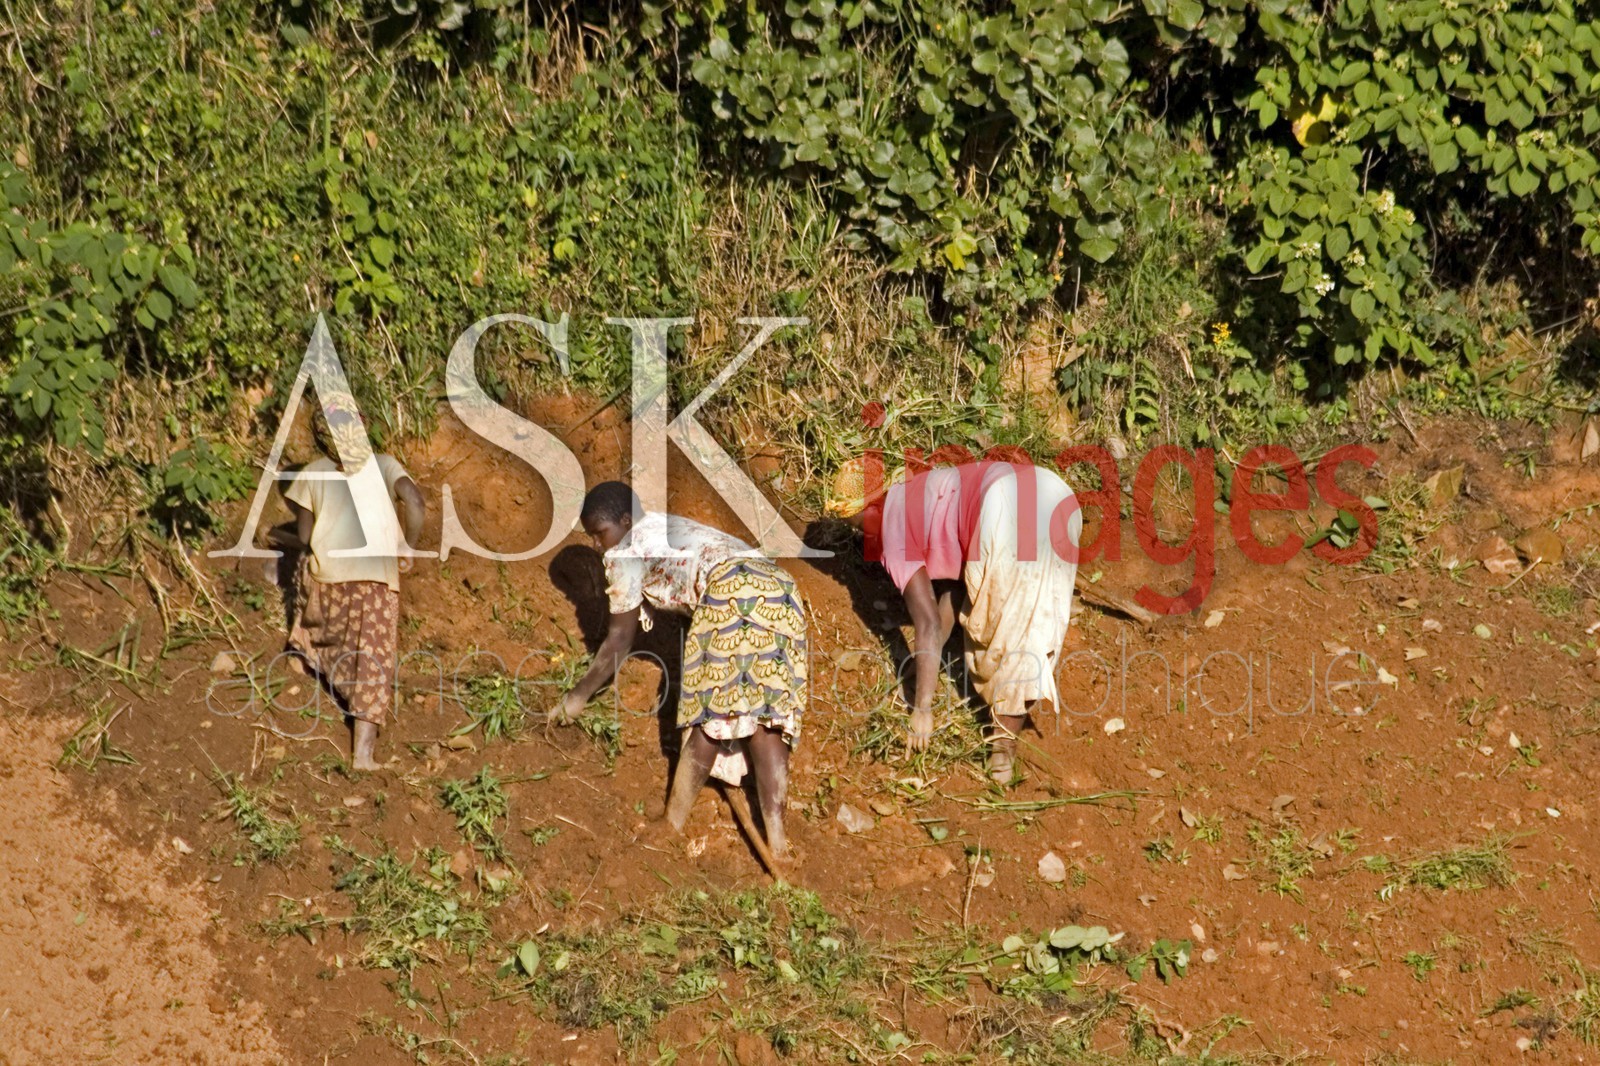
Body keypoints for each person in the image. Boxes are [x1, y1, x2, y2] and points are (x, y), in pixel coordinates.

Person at [556, 482, 808, 859]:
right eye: (591, 536)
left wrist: (576, 698)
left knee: (712, 717)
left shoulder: (625, 551)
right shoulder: (664, 524)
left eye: (599, 533)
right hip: (780, 589)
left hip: (731, 590)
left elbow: (619, 640)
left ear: (625, 522)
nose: (597, 544)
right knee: (767, 720)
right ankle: (779, 845)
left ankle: (671, 824)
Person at [826, 455, 1080, 785]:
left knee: (1008, 633)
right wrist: (924, 663)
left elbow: (929, 622)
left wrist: (922, 709)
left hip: (1006, 510)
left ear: (870, 509)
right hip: (1054, 493)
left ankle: (1003, 751)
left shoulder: (890, 530)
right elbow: (953, 591)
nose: (859, 531)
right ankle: (1005, 746)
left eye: (855, 522)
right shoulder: (920, 489)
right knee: (1034, 623)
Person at [269, 391, 424, 771]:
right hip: (375, 583)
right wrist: (408, 545)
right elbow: (415, 502)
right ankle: (363, 756)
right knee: (373, 662)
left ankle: (304, 659)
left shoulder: (313, 473)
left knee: (322, 621)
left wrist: (278, 536)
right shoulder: (385, 465)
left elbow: (306, 538)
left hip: (328, 584)